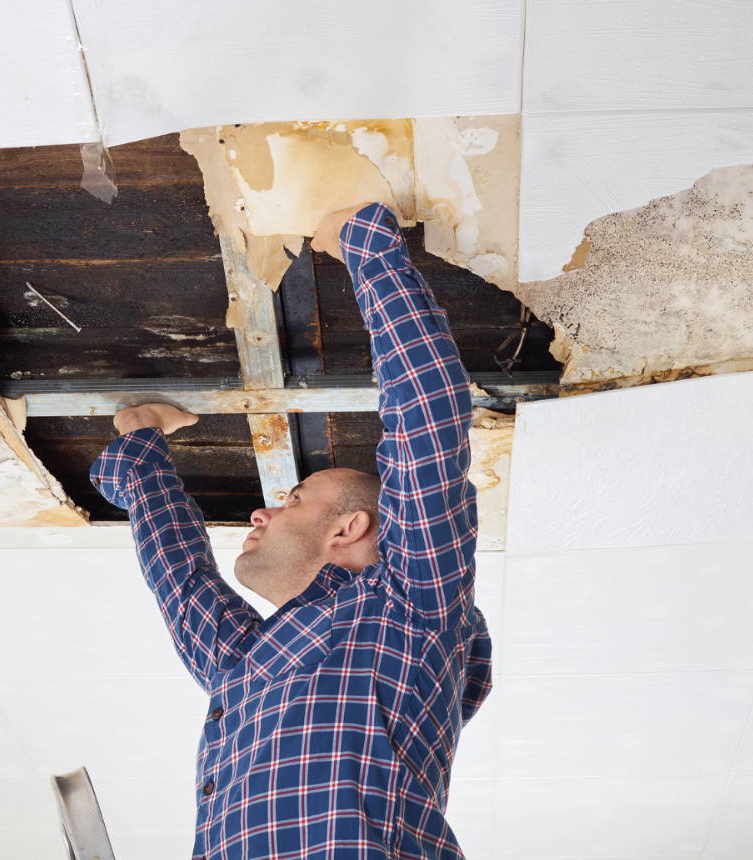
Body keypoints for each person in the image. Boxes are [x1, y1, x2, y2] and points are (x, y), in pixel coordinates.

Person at [90, 202, 492, 859]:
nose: (260, 512)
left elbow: (181, 587)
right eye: (294, 498)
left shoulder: (394, 617)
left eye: (289, 499)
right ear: (349, 526)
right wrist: (364, 244)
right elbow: (427, 422)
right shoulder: (406, 608)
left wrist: (139, 451)